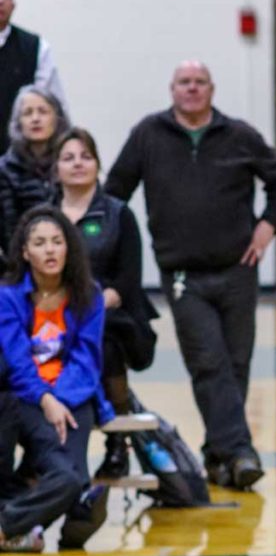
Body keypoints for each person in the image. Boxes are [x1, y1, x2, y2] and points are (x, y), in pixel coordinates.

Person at [105, 60, 276, 490]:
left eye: (199, 82)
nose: (192, 88)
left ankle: (218, 456)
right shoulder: (148, 134)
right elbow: (115, 193)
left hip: (238, 270)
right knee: (209, 362)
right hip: (182, 276)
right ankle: (241, 452)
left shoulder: (239, 134)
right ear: (172, 89)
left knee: (236, 365)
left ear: (212, 89)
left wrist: (268, 227)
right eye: (184, 82)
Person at [0, 206, 114, 547]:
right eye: (39, 243)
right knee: (66, 480)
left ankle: (11, 527)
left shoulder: (89, 294)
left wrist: (59, 399)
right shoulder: (7, 296)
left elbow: (86, 360)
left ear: (69, 247)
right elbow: (17, 361)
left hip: (73, 398)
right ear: (25, 252)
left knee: (70, 477)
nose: (49, 250)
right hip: (25, 397)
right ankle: (31, 526)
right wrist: (45, 398)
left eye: (56, 241)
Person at [56, 128, 159, 478]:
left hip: (109, 314)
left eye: (85, 157)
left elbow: (127, 281)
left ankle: (118, 443)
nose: (77, 164)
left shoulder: (118, 214)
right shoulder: (45, 216)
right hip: (54, 314)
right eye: (68, 158)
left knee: (104, 342)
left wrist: (90, 307)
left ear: (97, 164)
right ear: (56, 168)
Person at [0, 384, 83, 553]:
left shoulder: (15, 401)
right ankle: (17, 535)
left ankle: (8, 530)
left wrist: (46, 399)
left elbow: (65, 475)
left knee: (68, 481)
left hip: (8, 503)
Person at [0, 0, 68, 155]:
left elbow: (56, 107)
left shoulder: (35, 47)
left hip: (22, 160)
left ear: (13, 4)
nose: (0, 1)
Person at [0, 85, 68, 257]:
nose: (35, 119)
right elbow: (9, 229)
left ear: (57, 118)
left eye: (43, 112)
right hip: (23, 257)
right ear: (18, 122)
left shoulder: (69, 161)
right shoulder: (5, 170)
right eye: (28, 113)